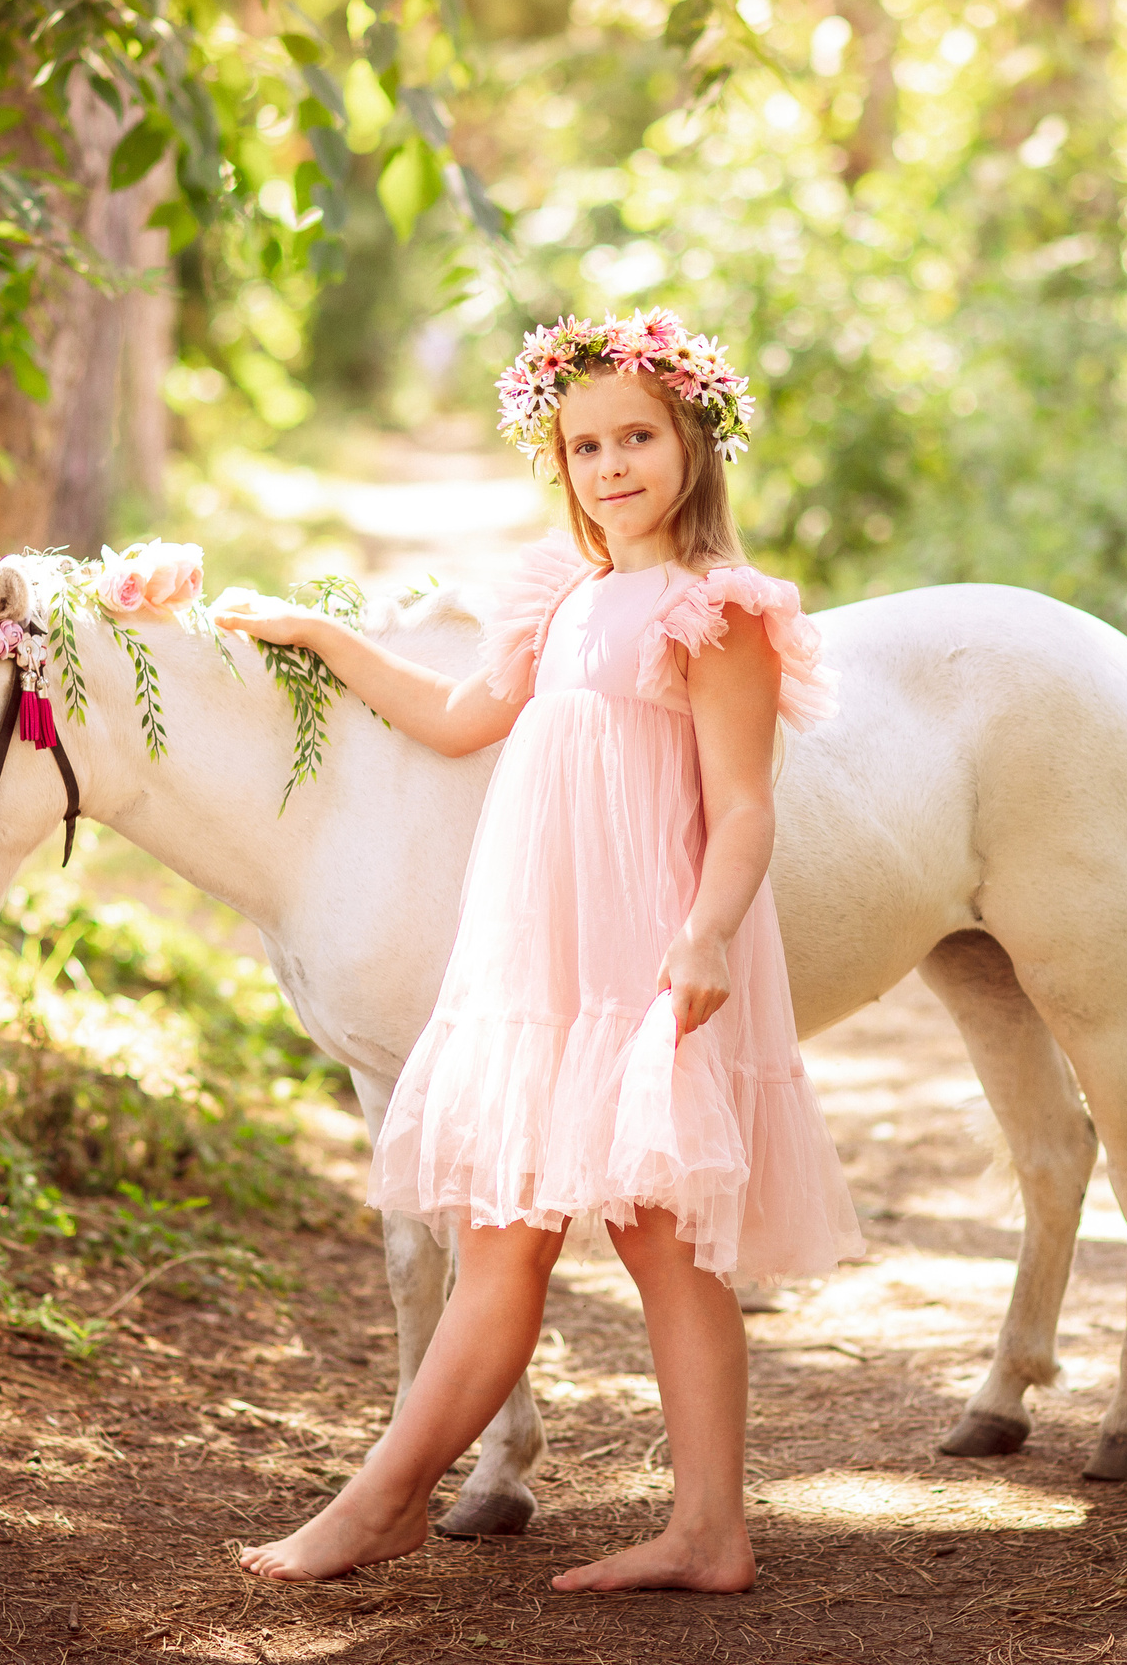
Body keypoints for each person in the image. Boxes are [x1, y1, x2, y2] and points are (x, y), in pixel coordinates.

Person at [215, 310, 861, 1591]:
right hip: (543, 958)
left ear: (694, 441)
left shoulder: (716, 610)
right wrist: (323, 637)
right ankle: (387, 1502)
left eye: (637, 437)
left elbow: (744, 806)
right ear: (557, 462)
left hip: (649, 950)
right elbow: (460, 717)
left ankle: (706, 1529)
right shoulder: (563, 596)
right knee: (503, 1232)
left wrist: (705, 933)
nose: (610, 465)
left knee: (662, 1241)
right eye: (583, 446)